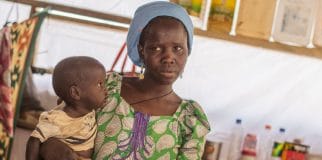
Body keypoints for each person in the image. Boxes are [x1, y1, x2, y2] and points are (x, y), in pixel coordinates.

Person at [39, 1, 211, 160]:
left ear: (188, 51)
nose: (168, 57)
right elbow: (53, 129)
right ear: (141, 50)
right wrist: (53, 145)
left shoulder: (189, 119)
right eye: (156, 47)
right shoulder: (106, 88)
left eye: (178, 48)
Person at [26, 56, 107, 160]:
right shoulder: (57, 119)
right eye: (100, 85)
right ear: (75, 93)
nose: (105, 90)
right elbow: (34, 140)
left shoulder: (89, 109)